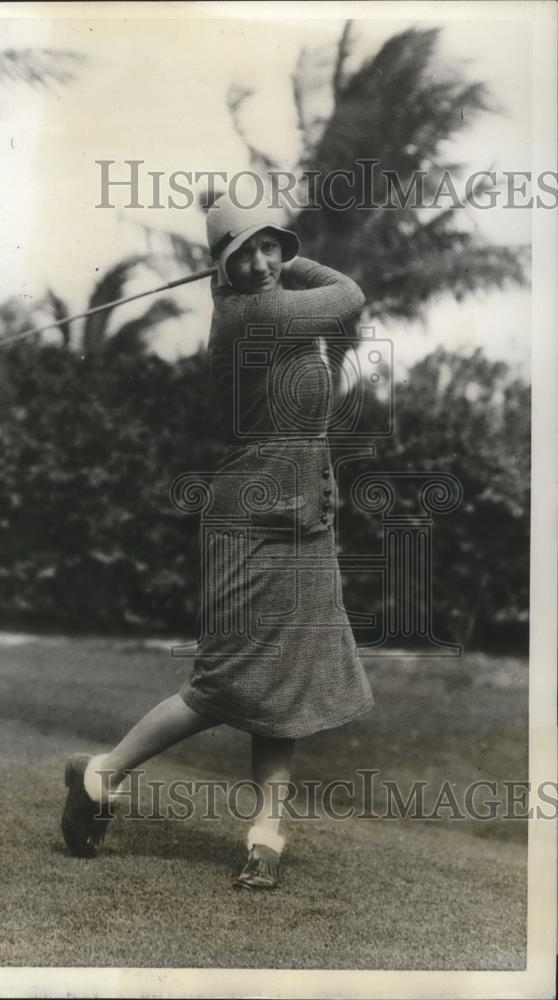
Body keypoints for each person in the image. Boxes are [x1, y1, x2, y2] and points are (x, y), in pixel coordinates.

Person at [61, 194, 373, 890]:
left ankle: (268, 832)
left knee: (287, 685)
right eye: (246, 252)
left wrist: (320, 481)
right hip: (247, 523)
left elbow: (336, 345)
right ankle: (99, 775)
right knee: (222, 684)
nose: (263, 262)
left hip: (305, 522)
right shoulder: (249, 315)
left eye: (272, 246)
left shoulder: (277, 311)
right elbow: (350, 294)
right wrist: (288, 261)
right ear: (224, 267)